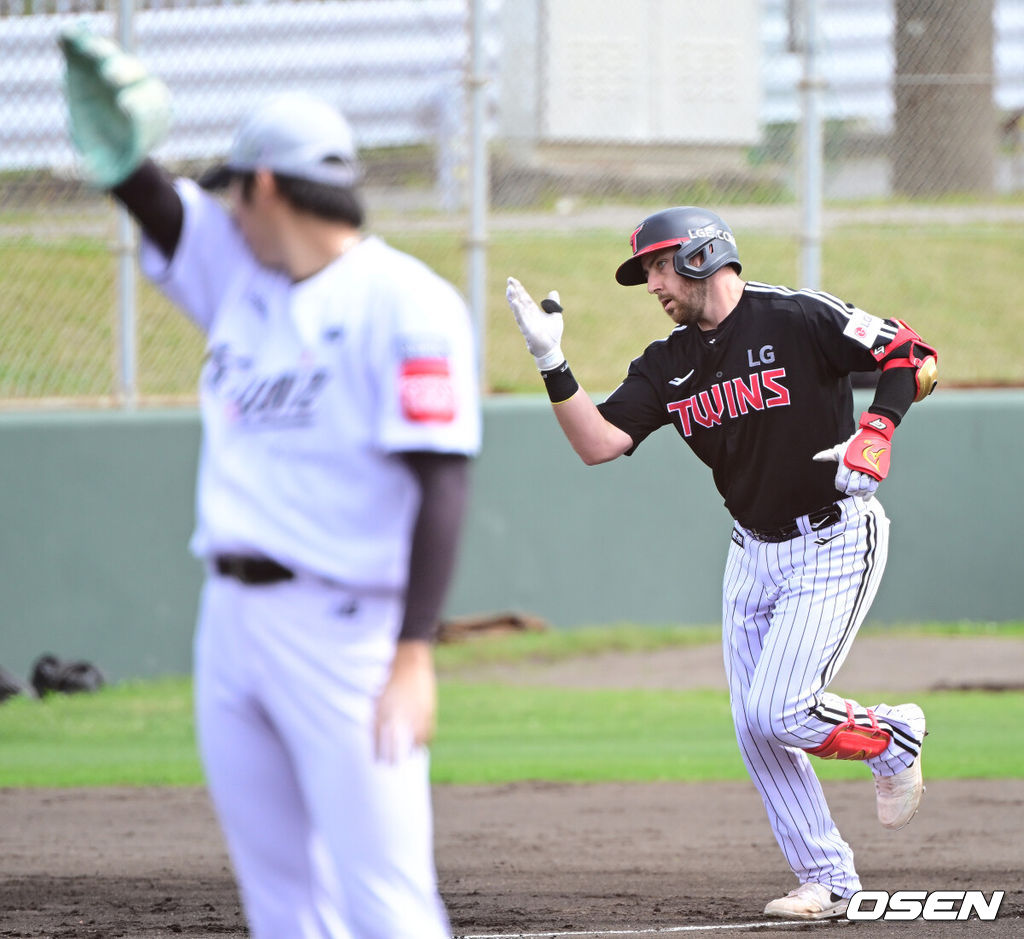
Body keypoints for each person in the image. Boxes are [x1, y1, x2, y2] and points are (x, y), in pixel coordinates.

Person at [59, 27, 480, 939]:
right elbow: (160, 207)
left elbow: (443, 485)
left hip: (345, 632)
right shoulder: (242, 276)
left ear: (261, 186)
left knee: (385, 897)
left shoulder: (405, 300)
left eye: (232, 194)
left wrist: (413, 653)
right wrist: (124, 149)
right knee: (281, 900)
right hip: (233, 625)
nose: (222, 216)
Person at [505, 205, 937, 921]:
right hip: (750, 552)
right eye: (645, 271)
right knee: (753, 725)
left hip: (832, 537)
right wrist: (552, 362)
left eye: (657, 264)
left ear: (704, 255)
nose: (651, 283)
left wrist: (878, 429)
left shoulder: (795, 317)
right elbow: (599, 442)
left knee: (781, 709)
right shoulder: (669, 362)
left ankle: (893, 736)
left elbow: (913, 356)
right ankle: (828, 880)